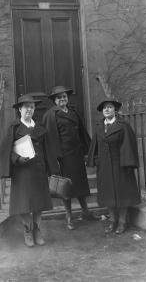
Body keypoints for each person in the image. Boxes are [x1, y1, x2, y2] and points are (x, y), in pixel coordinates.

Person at [0, 94, 59, 247]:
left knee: (39, 203)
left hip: (38, 170)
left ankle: (37, 230)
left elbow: (48, 150)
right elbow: (5, 150)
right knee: (24, 204)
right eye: (26, 107)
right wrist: (17, 159)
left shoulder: (40, 128)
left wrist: (52, 169)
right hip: (22, 171)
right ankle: (27, 230)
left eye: (32, 107)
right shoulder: (14, 127)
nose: (29, 110)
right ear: (20, 109)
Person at [43, 85, 98, 230]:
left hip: (77, 155)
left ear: (67, 98)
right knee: (66, 187)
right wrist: (54, 159)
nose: (62, 99)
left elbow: (82, 132)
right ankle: (69, 216)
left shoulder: (74, 112)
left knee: (80, 185)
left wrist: (88, 152)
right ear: (55, 100)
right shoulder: (51, 115)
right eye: (59, 97)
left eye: (64, 97)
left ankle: (85, 211)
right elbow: (49, 139)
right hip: (63, 157)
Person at [87, 100, 140, 234]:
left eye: (110, 107)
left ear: (115, 110)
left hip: (120, 164)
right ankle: (113, 220)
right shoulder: (99, 125)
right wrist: (94, 160)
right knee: (108, 194)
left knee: (122, 194)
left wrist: (128, 163)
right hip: (104, 165)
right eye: (105, 108)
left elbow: (129, 145)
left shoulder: (122, 126)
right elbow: (95, 144)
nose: (107, 110)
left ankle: (122, 221)